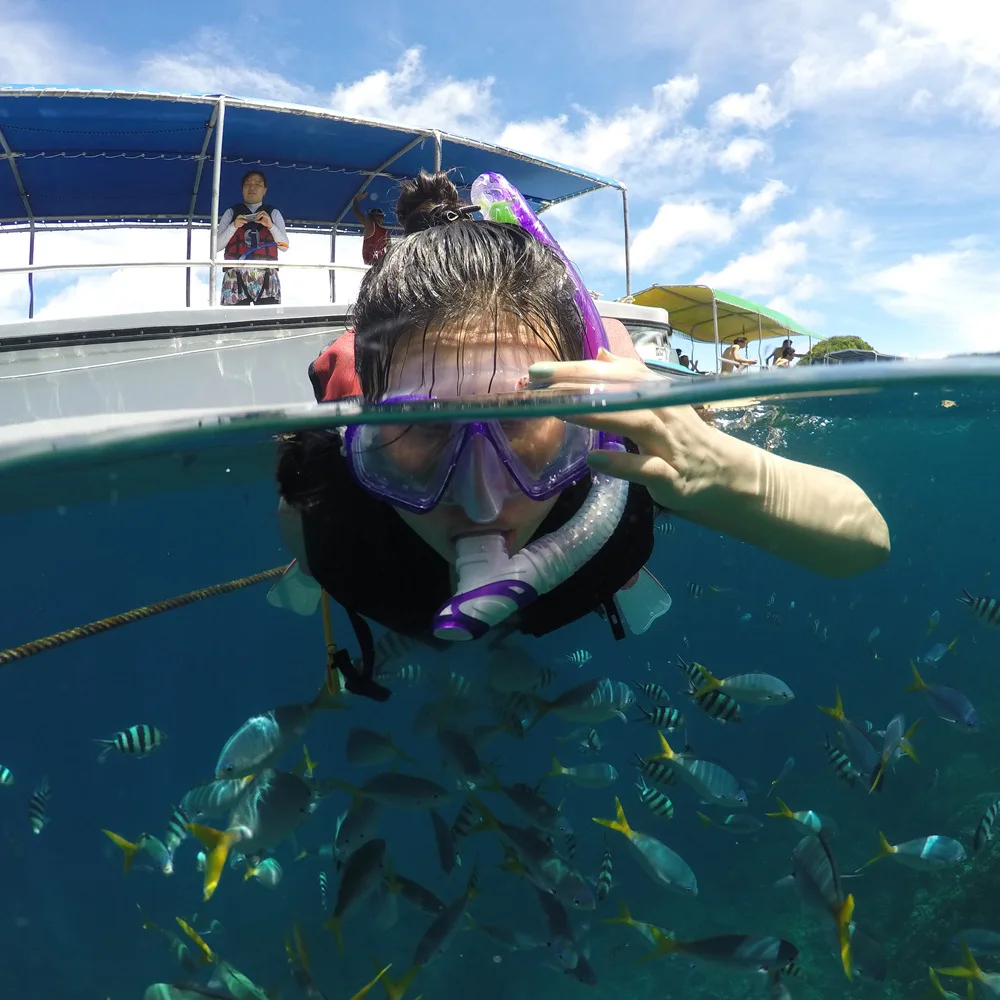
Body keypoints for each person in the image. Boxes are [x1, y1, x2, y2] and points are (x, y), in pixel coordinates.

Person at [275, 170, 889, 699]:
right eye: (425, 427)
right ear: (365, 429)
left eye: (521, 424)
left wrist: (717, 471)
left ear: (583, 420)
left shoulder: (630, 454)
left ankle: (615, 579)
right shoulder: (332, 507)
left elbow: (864, 540)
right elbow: (305, 518)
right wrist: (314, 565)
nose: (482, 501)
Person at [217, 170, 289, 305]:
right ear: (242, 189)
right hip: (234, 277)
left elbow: (284, 246)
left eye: (257, 184)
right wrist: (234, 225)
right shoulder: (230, 213)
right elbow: (215, 247)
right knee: (234, 322)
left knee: (268, 322)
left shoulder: (274, 214)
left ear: (265, 190)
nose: (252, 187)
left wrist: (270, 226)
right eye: (248, 184)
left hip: (267, 276)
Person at [352, 192, 391, 264]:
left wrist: (356, 200)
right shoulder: (386, 233)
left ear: (370, 217)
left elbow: (356, 212)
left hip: (370, 266)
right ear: (382, 218)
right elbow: (390, 251)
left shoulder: (371, 225)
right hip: (381, 266)